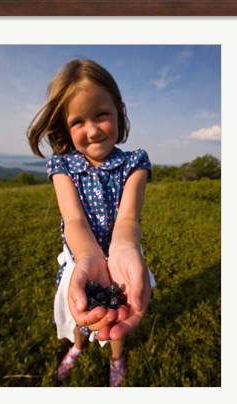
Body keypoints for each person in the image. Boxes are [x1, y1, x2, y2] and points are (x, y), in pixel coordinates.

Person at [27, 59, 155, 387]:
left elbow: (128, 218)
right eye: (79, 120)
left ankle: (116, 358)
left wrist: (123, 247)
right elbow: (73, 219)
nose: (94, 129)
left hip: (120, 259)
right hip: (81, 258)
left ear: (119, 112)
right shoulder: (62, 166)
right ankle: (78, 347)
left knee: (117, 313)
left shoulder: (134, 163)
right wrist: (88, 257)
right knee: (82, 313)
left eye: (102, 114)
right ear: (64, 128)